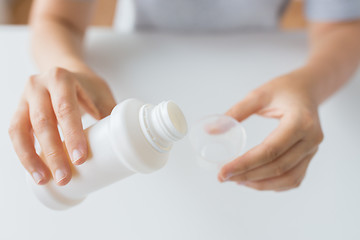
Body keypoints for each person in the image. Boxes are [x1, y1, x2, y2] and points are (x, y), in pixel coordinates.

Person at [8, 0, 360, 192]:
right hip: (140, 60)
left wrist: (310, 85)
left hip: (255, 59)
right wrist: (66, 64)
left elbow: (344, 24)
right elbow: (57, 17)